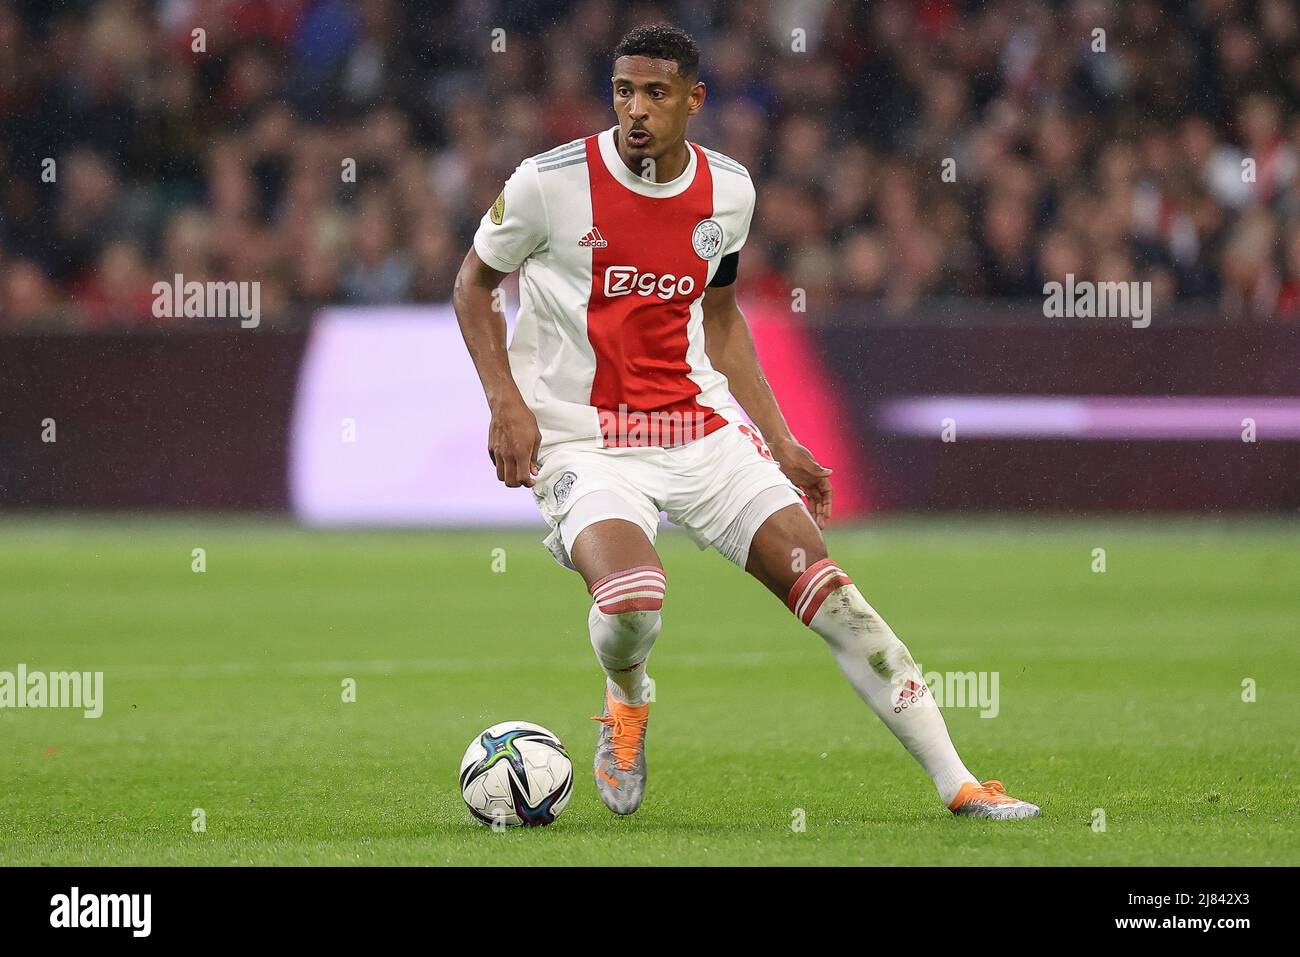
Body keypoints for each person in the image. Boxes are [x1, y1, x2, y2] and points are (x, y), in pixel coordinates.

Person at [452, 23, 1038, 820]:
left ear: (694, 100)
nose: (636, 110)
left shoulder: (729, 191)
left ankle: (961, 784)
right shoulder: (548, 184)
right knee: (631, 599)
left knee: (834, 596)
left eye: (656, 94)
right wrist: (505, 403)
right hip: (584, 440)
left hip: (699, 430)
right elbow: (474, 284)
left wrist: (783, 436)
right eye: (624, 91)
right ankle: (628, 701)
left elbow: (721, 318)